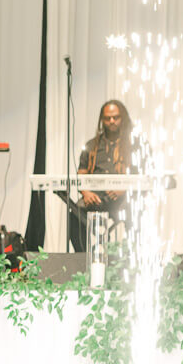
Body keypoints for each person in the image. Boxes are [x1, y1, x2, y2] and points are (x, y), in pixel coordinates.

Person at [69, 100, 136, 252]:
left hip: (122, 199)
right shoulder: (92, 146)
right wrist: (86, 193)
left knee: (135, 211)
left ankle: (131, 257)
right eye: (107, 118)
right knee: (74, 215)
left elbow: (143, 176)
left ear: (122, 118)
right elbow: (81, 175)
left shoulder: (133, 145)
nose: (111, 121)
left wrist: (124, 189)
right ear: (102, 120)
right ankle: (82, 259)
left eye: (116, 117)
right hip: (96, 199)